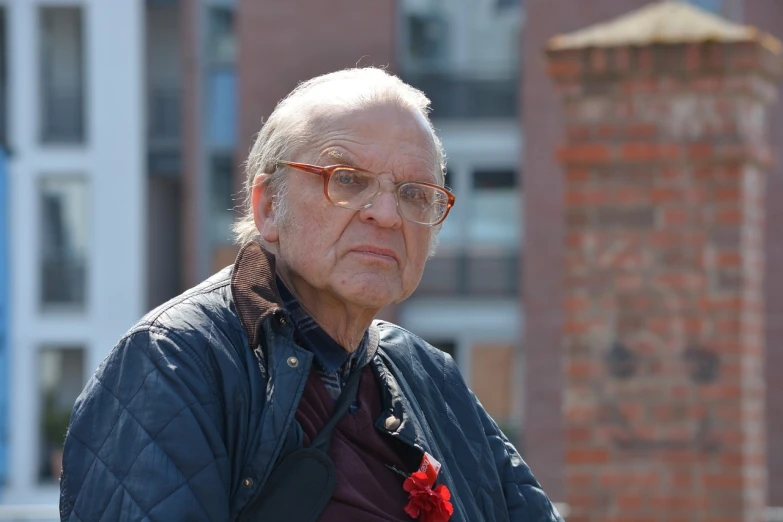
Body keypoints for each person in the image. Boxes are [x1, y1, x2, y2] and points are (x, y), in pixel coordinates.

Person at [60, 68, 563, 522]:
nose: (386, 214)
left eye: (414, 193)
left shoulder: (428, 374)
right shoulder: (175, 360)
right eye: (346, 180)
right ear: (268, 208)